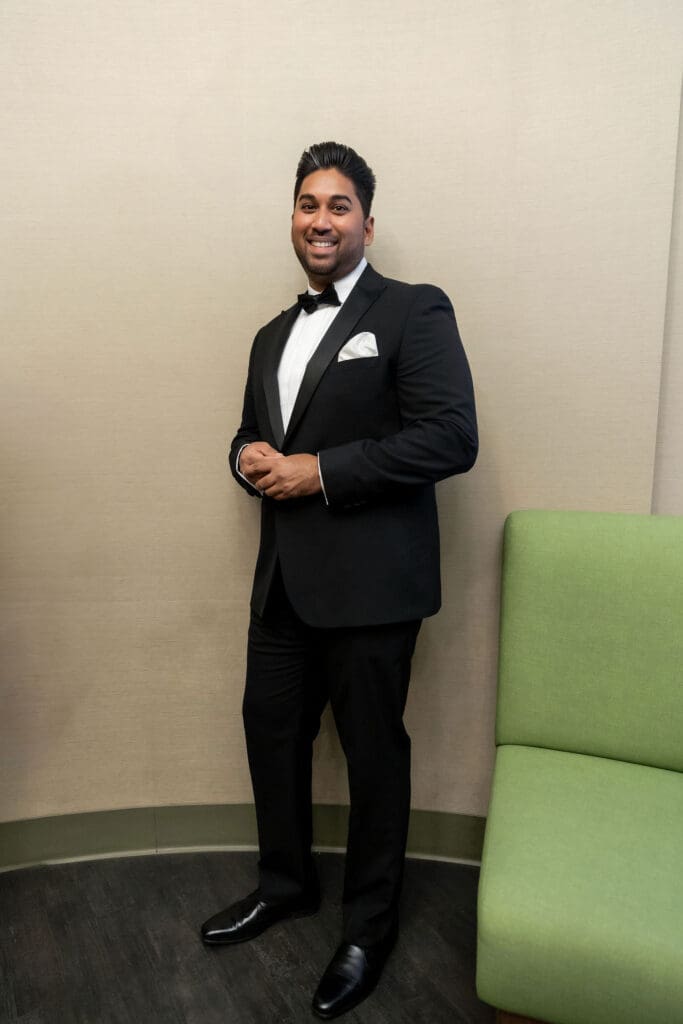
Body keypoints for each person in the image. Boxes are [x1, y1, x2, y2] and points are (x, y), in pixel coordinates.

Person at [201, 141, 478, 1019]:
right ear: (293, 216)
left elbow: (449, 439)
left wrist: (318, 471)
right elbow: (254, 436)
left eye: (338, 206)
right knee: (269, 736)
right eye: (306, 204)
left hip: (372, 590)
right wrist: (248, 460)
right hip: (282, 585)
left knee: (371, 756)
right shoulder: (269, 336)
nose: (319, 220)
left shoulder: (412, 310)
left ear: (366, 220)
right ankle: (284, 884)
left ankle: (369, 925)